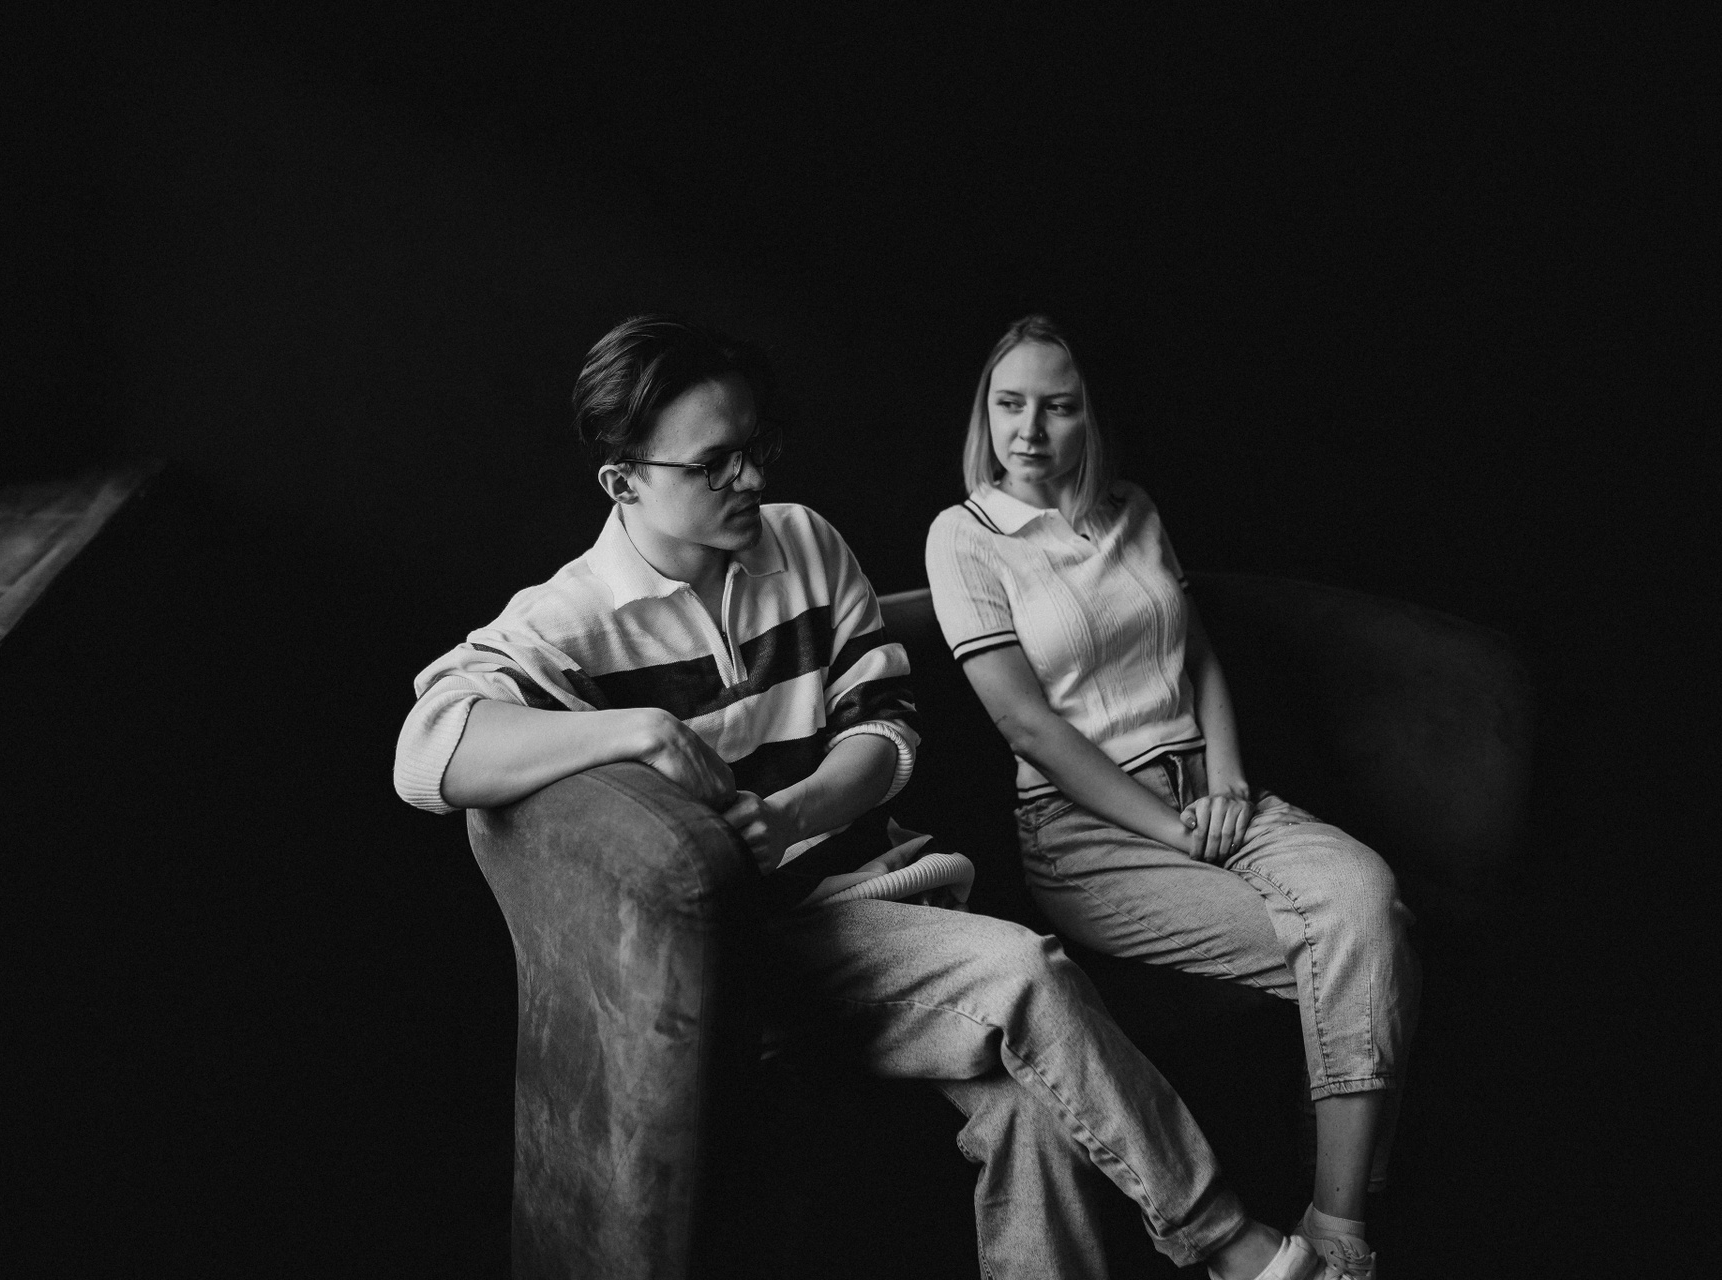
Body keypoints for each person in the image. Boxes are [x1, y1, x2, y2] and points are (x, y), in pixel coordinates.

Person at [394, 314, 1335, 1280]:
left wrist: (796, 811)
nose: (750, 479)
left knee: (1035, 1116)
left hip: (899, 903)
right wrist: (637, 730)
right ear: (623, 482)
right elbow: (427, 751)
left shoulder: (802, 541)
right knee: (1025, 971)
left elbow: (886, 732)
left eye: (756, 447)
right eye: (713, 465)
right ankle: (1226, 1241)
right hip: (768, 955)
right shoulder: (573, 618)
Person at [924, 314, 1421, 1280]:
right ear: (985, 414)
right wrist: (1169, 828)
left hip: (1212, 793)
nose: (1029, 430)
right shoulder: (964, 537)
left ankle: (1327, 1222)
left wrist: (1227, 777)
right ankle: (1347, 1238)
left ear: (1091, 418)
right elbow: (1029, 728)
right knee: (1369, 942)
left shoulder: (1133, 507)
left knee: (1370, 894)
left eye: (1058, 407)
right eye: (1009, 404)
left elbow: (1197, 653)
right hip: (1087, 833)